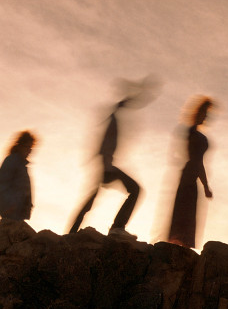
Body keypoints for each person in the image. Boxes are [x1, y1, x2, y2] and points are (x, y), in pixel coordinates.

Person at [69, 76, 160, 237]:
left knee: (91, 199)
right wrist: (105, 164)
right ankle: (117, 228)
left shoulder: (114, 116)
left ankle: (72, 232)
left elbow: (132, 102)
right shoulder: (113, 117)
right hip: (106, 164)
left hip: (105, 163)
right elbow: (104, 143)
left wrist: (142, 92)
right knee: (135, 190)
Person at [167, 97, 215, 249]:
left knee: (188, 213)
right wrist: (206, 185)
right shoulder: (192, 133)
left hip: (191, 176)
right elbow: (196, 161)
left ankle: (181, 244)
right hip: (188, 176)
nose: (206, 117)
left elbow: (198, 163)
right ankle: (177, 244)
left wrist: (205, 185)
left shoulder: (197, 135)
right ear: (198, 113)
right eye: (204, 113)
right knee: (184, 212)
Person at [0, 131, 37, 224]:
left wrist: (28, 206)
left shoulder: (22, 165)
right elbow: (2, 183)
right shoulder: (12, 160)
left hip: (18, 212)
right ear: (21, 146)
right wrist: (7, 205)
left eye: (31, 148)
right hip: (11, 211)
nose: (29, 151)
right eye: (28, 147)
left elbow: (24, 189)